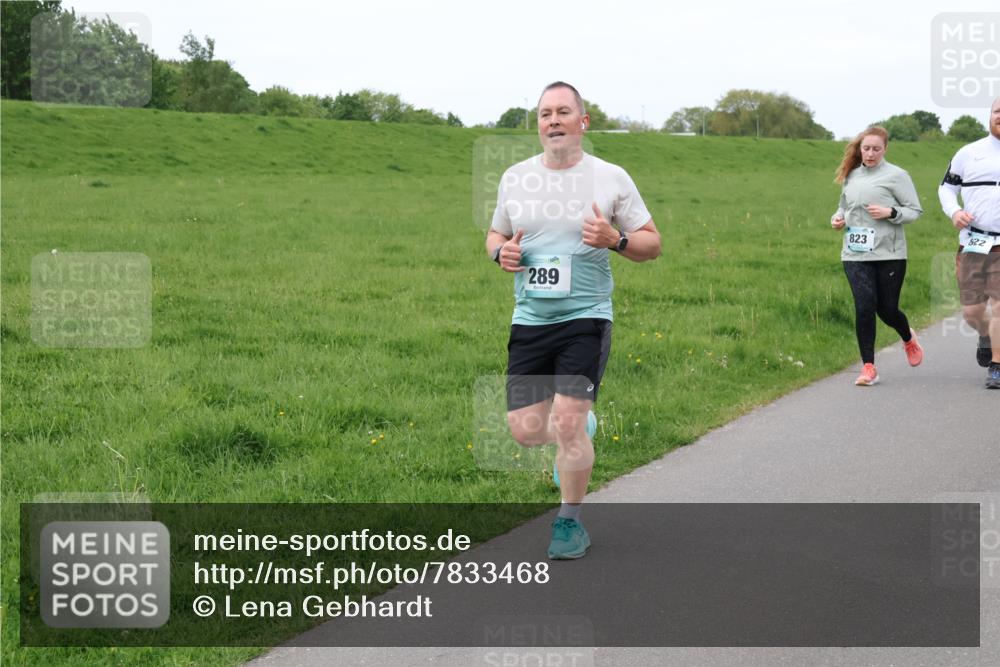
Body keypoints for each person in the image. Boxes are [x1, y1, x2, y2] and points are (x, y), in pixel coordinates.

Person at [485, 81, 661, 559]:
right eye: (545, 113)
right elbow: (495, 234)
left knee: (565, 424)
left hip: (586, 317)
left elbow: (652, 244)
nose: (554, 120)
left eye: (564, 112)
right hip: (529, 320)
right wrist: (502, 253)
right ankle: (584, 424)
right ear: (538, 124)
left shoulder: (610, 177)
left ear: (583, 122)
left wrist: (615, 240)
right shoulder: (515, 177)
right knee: (524, 430)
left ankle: (569, 524)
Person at [831, 126, 924, 386]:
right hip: (854, 253)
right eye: (866, 148)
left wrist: (890, 212)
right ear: (860, 148)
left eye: (875, 149)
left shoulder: (897, 176)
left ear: (885, 149)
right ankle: (869, 367)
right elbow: (843, 206)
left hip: (889, 253)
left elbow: (915, 210)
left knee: (887, 309)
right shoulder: (852, 175)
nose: (870, 154)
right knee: (864, 305)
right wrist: (837, 219)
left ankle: (907, 338)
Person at [938, 97, 1000, 389]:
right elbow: (946, 189)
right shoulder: (969, 153)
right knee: (973, 311)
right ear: (990, 115)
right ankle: (985, 335)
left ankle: (997, 366)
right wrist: (955, 211)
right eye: (999, 111)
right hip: (974, 242)